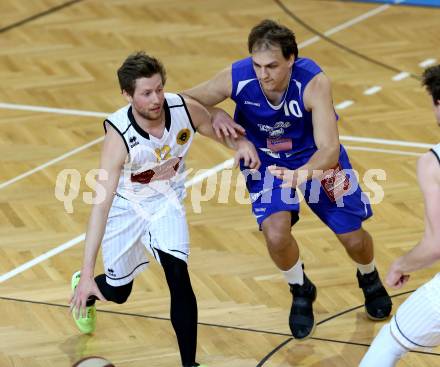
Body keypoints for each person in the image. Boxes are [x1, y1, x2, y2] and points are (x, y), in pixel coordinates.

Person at [183, 19, 392, 339]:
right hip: (266, 164)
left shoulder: (314, 82)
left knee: (354, 239)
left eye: (272, 66)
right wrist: (216, 115)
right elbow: (183, 101)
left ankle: (369, 276)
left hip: (320, 163)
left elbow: (330, 151)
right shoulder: (237, 77)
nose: (263, 74)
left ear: (291, 59)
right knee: (276, 236)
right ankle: (300, 288)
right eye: (257, 65)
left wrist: (299, 176)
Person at [69, 51, 260, 367]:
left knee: (178, 274)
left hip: (166, 201)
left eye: (159, 89)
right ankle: (86, 288)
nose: (156, 98)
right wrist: (88, 270)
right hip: (125, 207)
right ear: (128, 95)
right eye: (146, 93)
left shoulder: (183, 109)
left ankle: (189, 364)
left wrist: (240, 144)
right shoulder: (118, 136)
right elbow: (100, 206)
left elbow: (216, 128)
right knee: (119, 292)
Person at [359, 65, 440, 366]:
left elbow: (435, 246)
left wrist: (401, 264)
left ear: (438, 103)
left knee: (388, 345)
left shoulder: (433, 162)